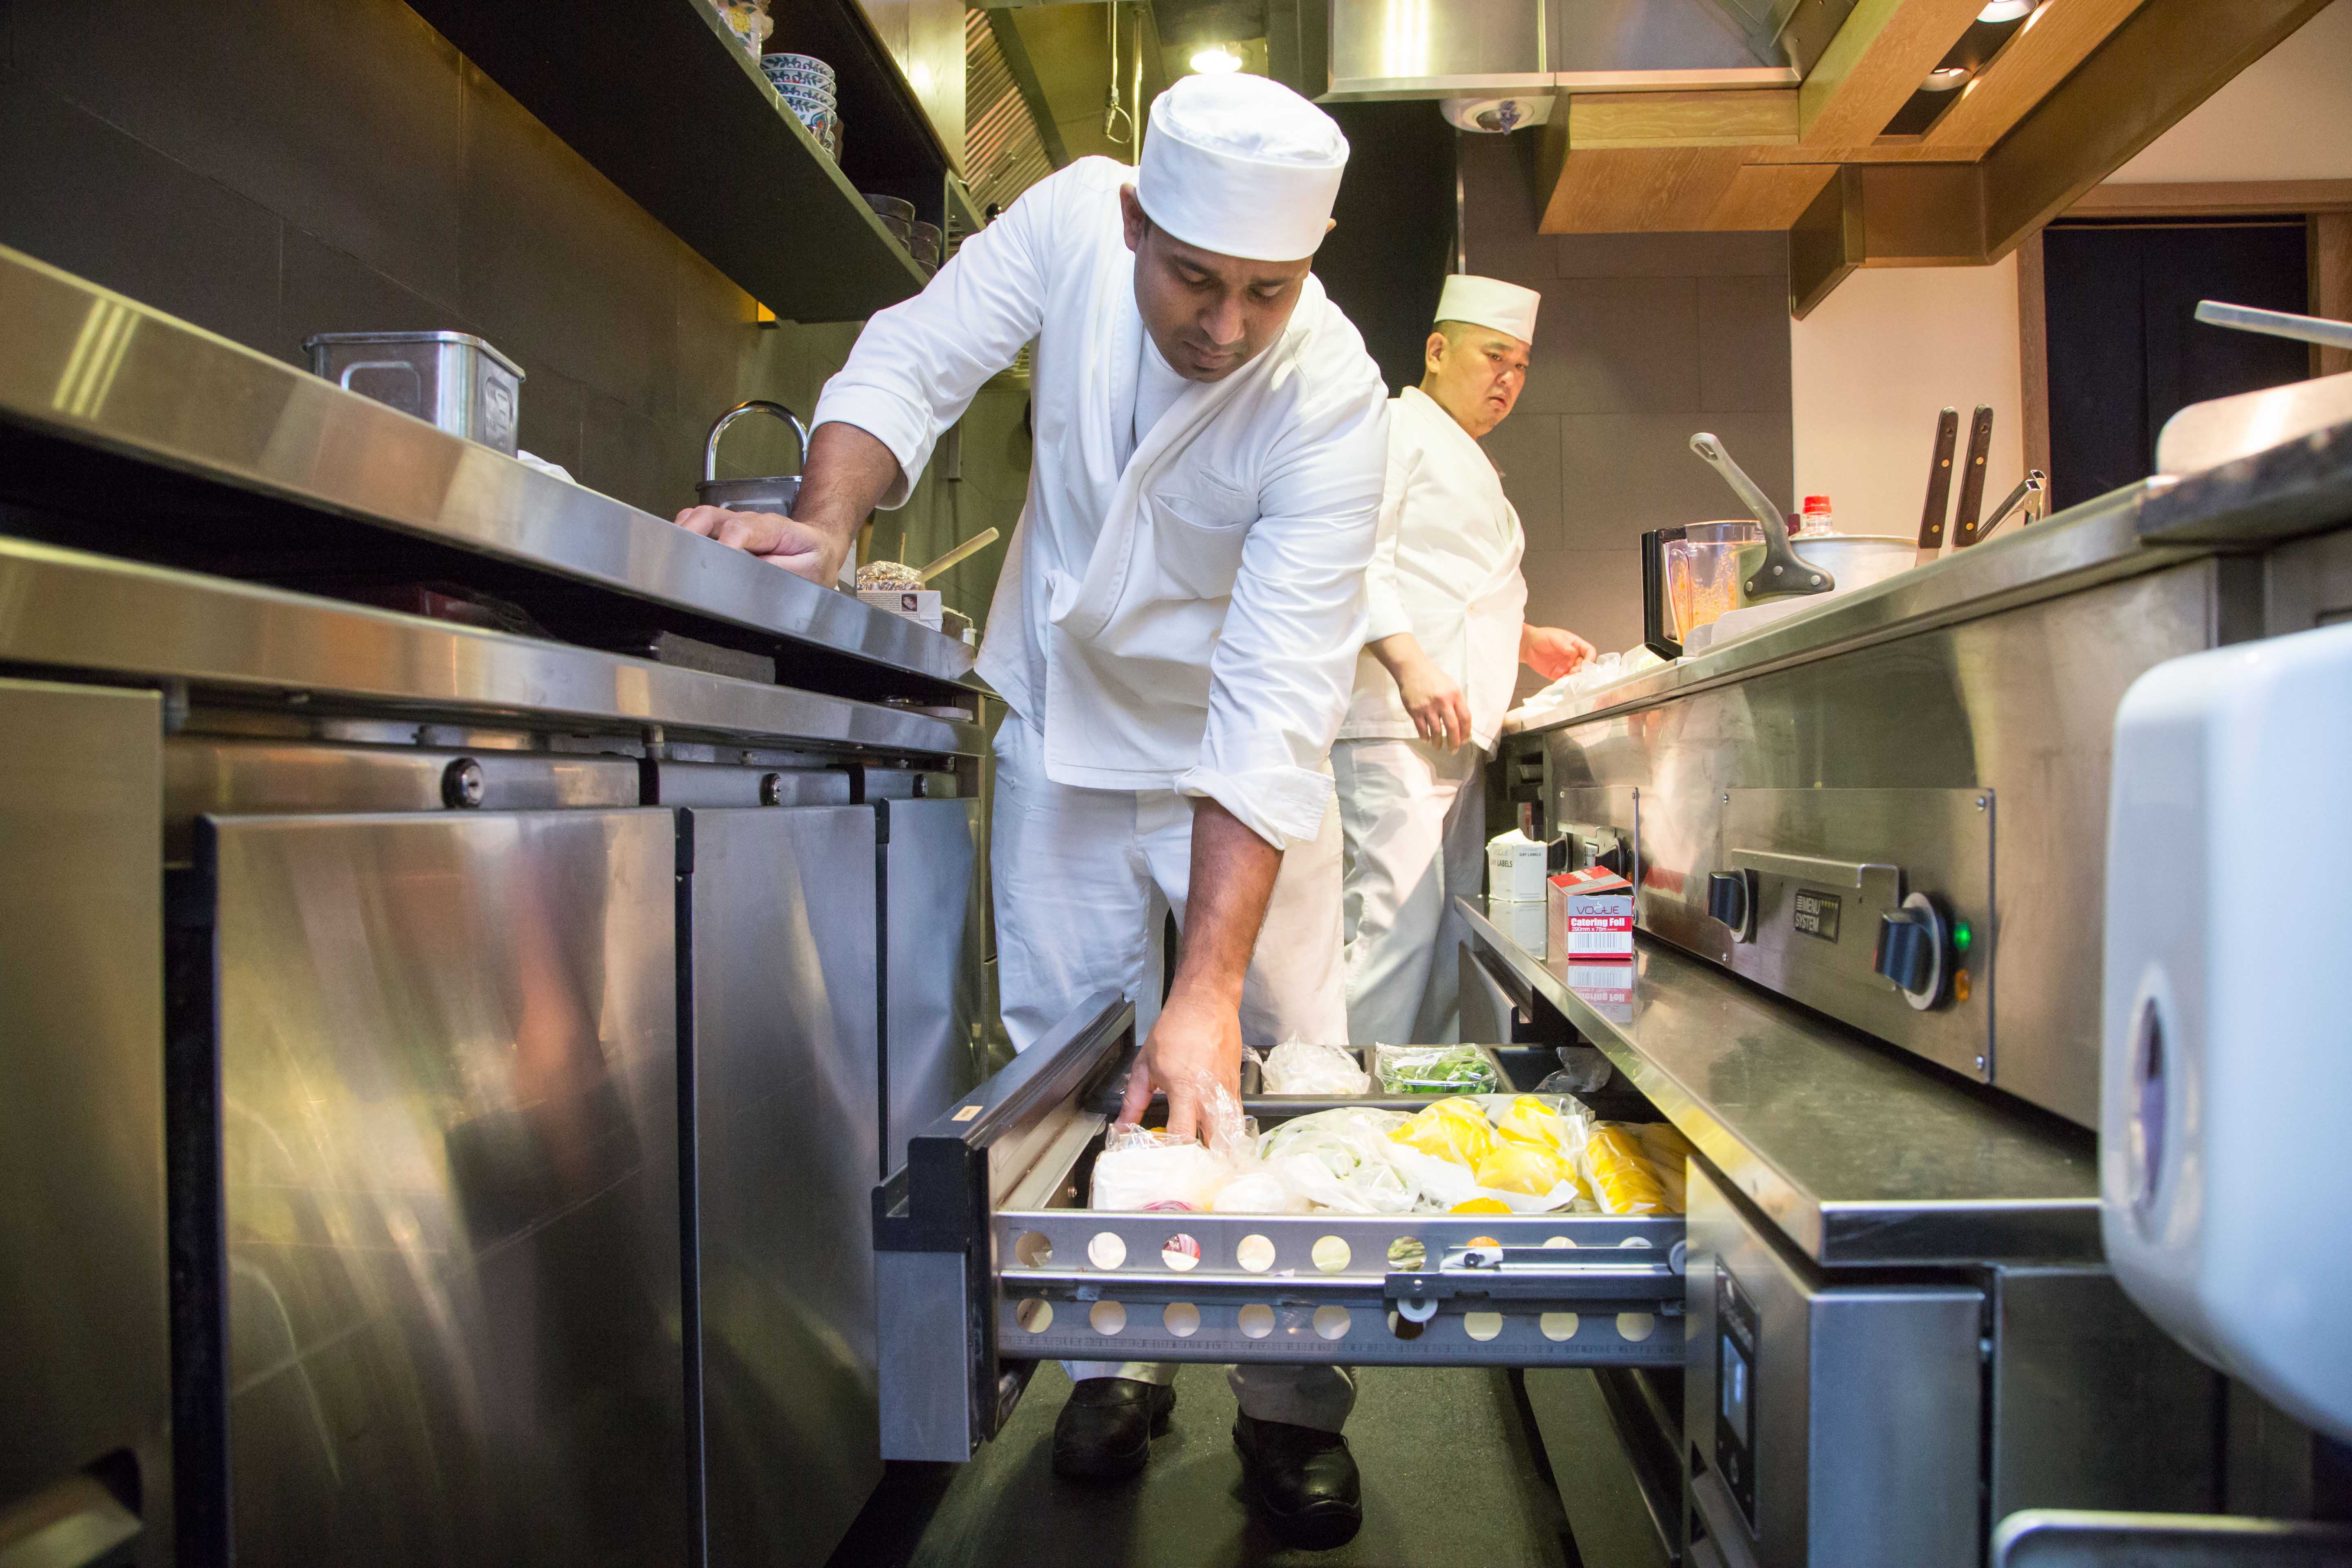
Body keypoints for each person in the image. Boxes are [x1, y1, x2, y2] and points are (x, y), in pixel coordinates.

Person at [670, 74, 1386, 1550]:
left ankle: (1288, 1407)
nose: (1227, 326)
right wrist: (826, 523)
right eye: (1195, 279)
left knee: (1273, 1067)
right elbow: (916, 357)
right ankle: (1119, 1359)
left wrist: (1207, 988)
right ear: (1133, 225)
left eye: (1267, 291)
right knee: (1071, 1060)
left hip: (1241, 770)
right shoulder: (1068, 222)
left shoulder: (1334, 398)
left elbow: (1271, 706)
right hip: (1068, 725)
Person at [1334, 276, 1595, 1047]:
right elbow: (1356, 556)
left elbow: (1448, 585)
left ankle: (1422, 1096)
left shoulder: (1467, 458)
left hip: (1454, 731)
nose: (1507, 380)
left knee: (1448, 930)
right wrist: (1410, 665)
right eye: (1493, 357)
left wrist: (1526, 638)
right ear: (1437, 351)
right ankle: (1338, 1094)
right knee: (1393, 930)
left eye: (1521, 367)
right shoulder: (1392, 427)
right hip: (1392, 723)